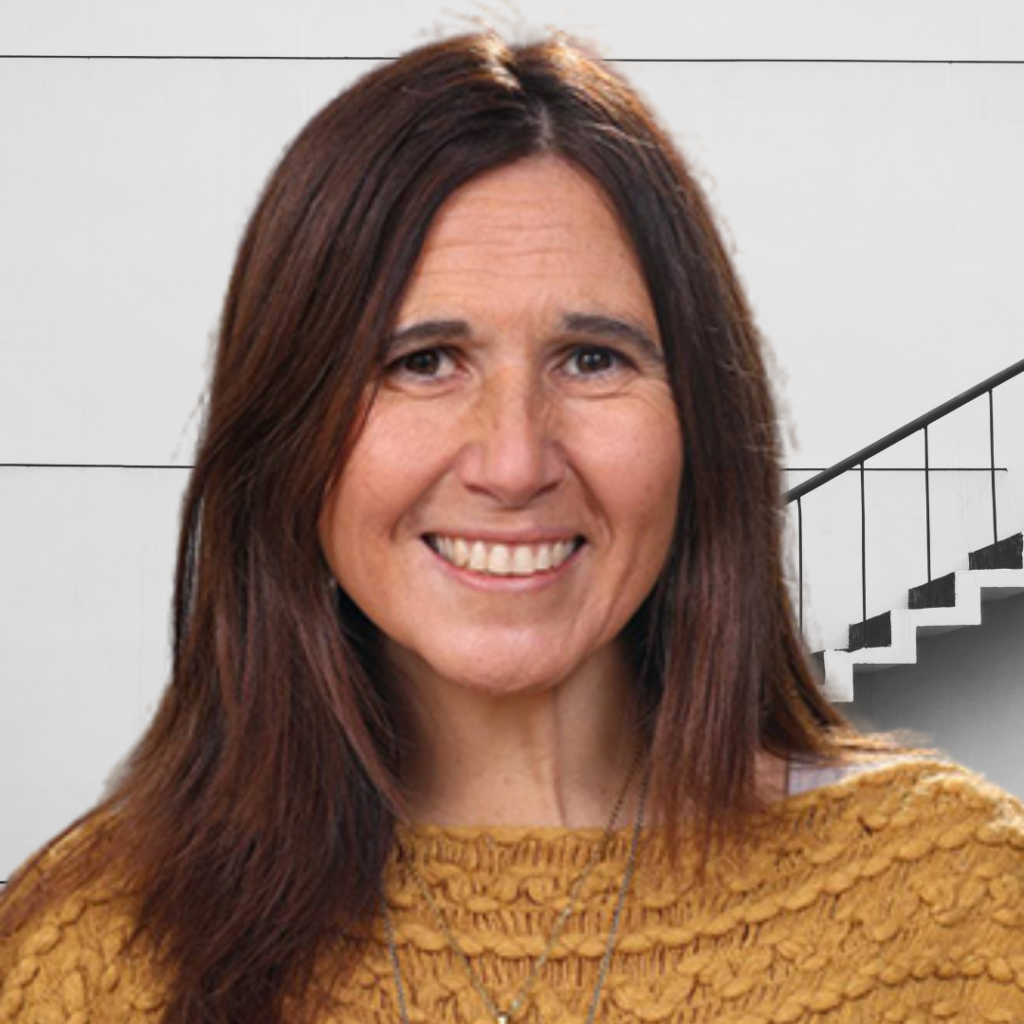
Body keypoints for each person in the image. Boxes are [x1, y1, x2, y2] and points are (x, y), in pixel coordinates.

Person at [2, 30, 1022, 1024]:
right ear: (288, 431)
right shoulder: (91, 951)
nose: (514, 462)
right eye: (422, 362)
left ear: (699, 424)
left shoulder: (961, 909)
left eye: (591, 359)